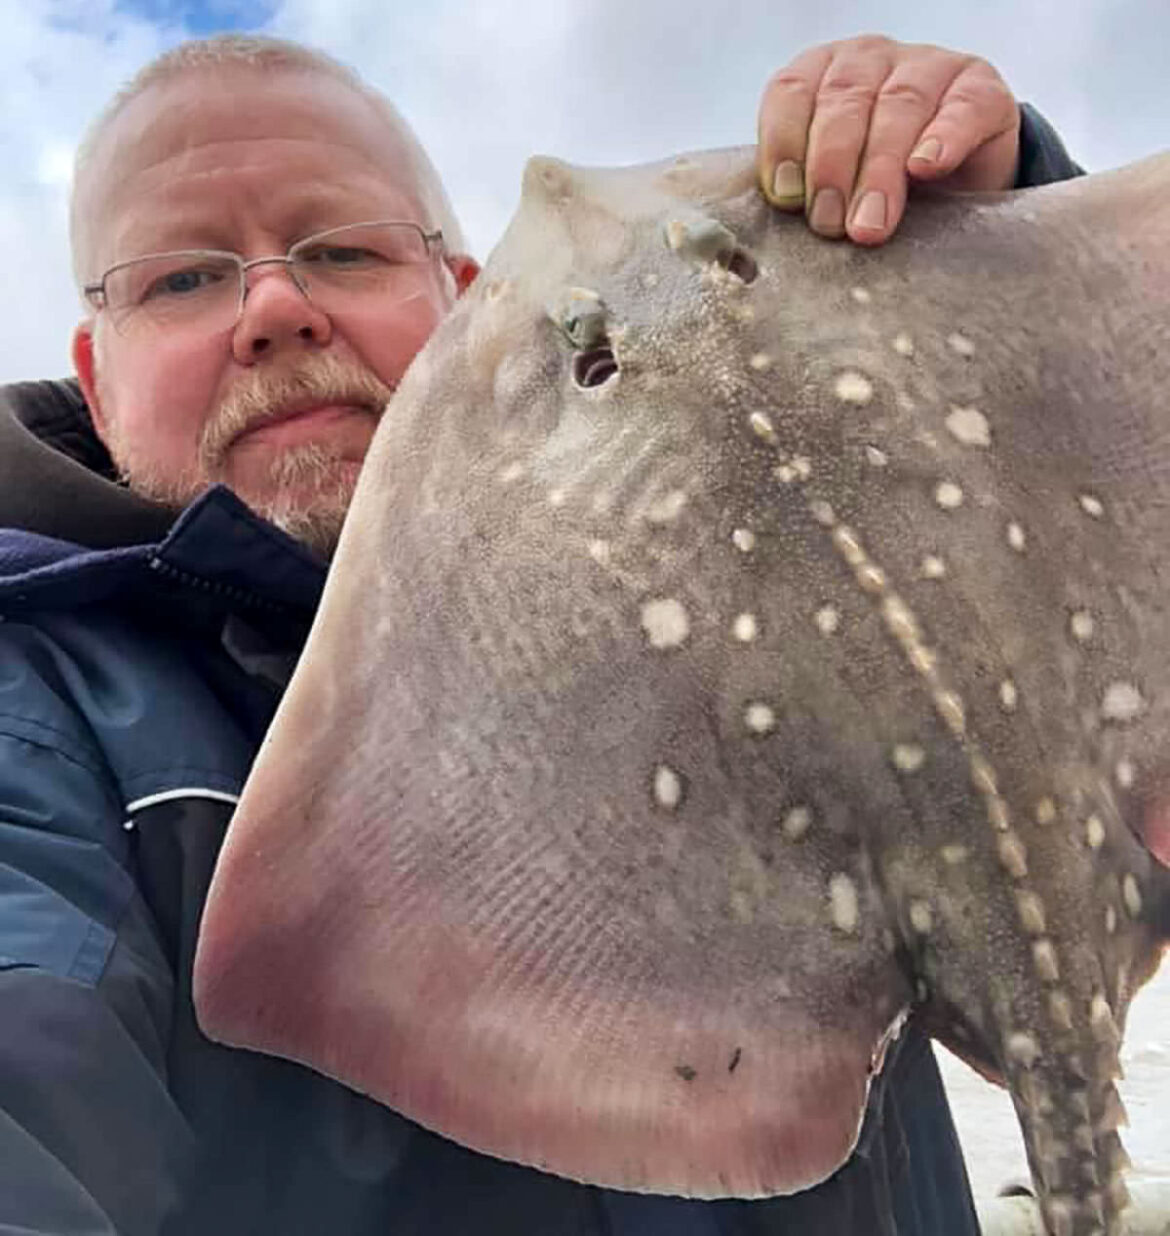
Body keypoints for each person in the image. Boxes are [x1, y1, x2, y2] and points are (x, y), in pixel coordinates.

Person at [0, 32, 1083, 1236]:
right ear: (96, 381)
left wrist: (989, 242)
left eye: (344, 251)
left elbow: (1045, 524)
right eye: (182, 279)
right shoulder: (38, 712)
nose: (276, 308)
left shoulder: (727, 551)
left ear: (472, 304)